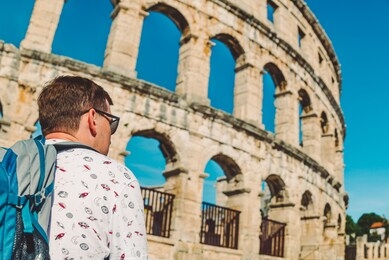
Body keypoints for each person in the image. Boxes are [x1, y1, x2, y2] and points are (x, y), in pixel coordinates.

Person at [37, 75, 148, 259]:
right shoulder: (116, 178)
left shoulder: (10, 163)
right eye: (111, 122)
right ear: (93, 118)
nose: (111, 135)